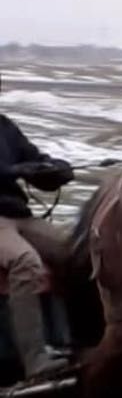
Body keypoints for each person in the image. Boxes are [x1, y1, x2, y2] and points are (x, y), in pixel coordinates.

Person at [0, 99, 74, 377]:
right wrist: (14, 171)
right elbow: (15, 169)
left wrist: (52, 169)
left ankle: (78, 339)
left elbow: (31, 158)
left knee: (78, 254)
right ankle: (34, 359)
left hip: (19, 214)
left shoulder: (4, 126)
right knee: (24, 261)